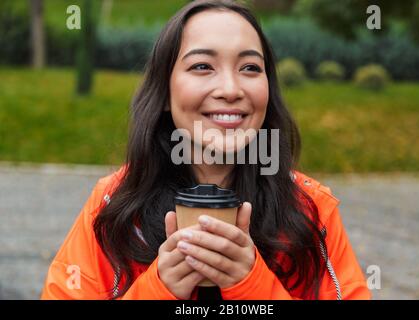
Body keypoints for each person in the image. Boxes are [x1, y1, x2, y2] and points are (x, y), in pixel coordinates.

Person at [41, 0, 370, 300]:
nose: (230, 89)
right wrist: (159, 290)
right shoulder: (115, 204)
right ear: (165, 93)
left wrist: (253, 287)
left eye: (250, 68)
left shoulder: (311, 209)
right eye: (202, 66)